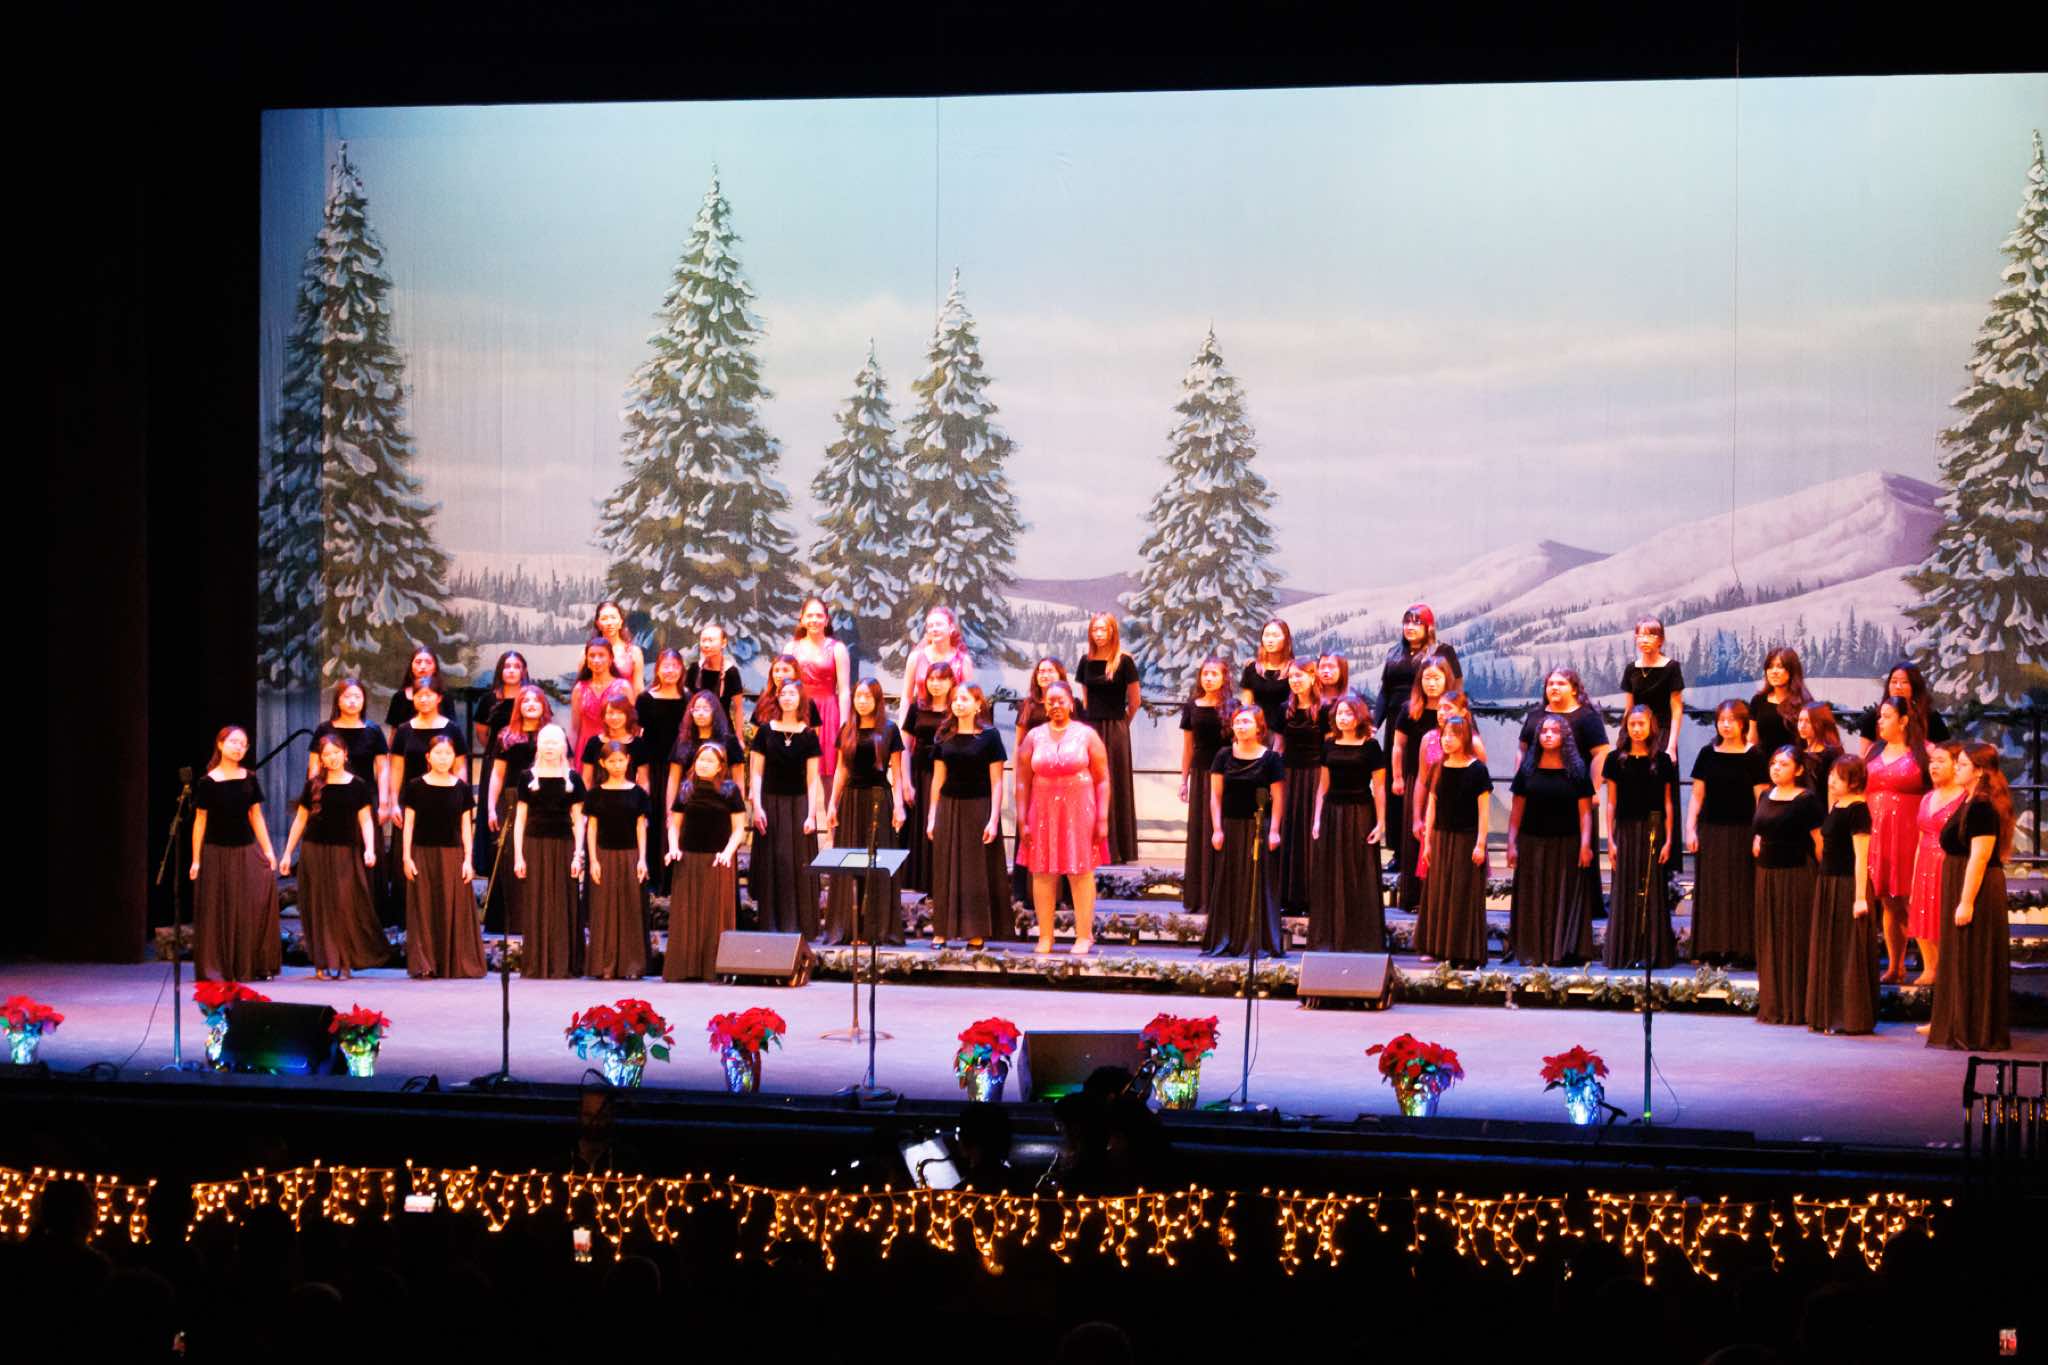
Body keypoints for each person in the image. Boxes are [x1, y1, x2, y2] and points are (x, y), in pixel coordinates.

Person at [1924, 741, 2013, 1051]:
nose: (1956, 769)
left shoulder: (1982, 805)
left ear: (1978, 771)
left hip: (1977, 887)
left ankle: (1974, 1027)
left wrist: (1966, 901)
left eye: (1962, 765)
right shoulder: (1970, 800)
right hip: (1961, 881)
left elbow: (1980, 856)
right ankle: (1959, 1020)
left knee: (1973, 954)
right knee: (1961, 954)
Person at [280, 731, 385, 980]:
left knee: (344, 906)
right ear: (321, 759)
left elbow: (365, 821)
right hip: (315, 852)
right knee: (319, 906)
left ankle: (344, 960)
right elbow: (300, 821)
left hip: (345, 853)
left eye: (336, 752)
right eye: (327, 754)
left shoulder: (357, 785)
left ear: (345, 754)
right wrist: (287, 854)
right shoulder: (314, 786)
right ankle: (322, 963)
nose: (332, 757)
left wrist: (370, 848)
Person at [1017, 680, 1110, 954]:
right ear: (1045, 706)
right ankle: (1046, 936)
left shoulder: (1087, 735)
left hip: (1079, 810)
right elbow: (1022, 781)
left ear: (1071, 703)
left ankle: (1083, 935)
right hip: (1042, 810)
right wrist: (1022, 818)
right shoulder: (1034, 736)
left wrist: (1102, 818)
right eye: (1051, 701)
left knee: (1080, 871)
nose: (1056, 705)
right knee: (1042, 871)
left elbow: (1103, 779)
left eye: (1061, 701)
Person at [188, 725, 280, 981]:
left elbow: (256, 816)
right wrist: (196, 859)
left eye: (243, 744)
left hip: (245, 850)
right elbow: (200, 821)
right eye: (233, 742)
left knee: (249, 905)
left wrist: (268, 851)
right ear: (220, 744)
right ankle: (218, 967)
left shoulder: (249, 778)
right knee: (218, 909)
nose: (238, 747)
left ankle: (251, 964)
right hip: (215, 853)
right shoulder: (207, 782)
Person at [1376, 603, 1460, 876]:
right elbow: (1384, 692)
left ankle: (1434, 849)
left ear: (1429, 626)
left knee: (1432, 784)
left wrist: (1451, 715)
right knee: (1399, 788)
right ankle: (1401, 852)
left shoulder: (1442, 652)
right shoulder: (1394, 653)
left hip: (1433, 720)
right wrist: (1374, 724)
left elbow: (1455, 687)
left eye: (1417, 622)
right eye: (1407, 622)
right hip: (1400, 722)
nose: (1410, 627)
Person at [822, 678, 907, 945]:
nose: (861, 701)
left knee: (876, 864)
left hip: (879, 800)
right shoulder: (847, 729)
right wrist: (832, 803)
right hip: (851, 802)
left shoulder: (890, 729)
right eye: (858, 696)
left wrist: (899, 806)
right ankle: (850, 929)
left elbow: (897, 773)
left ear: (877, 700)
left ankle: (877, 930)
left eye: (867, 696)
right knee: (851, 864)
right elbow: (841, 769)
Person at [1506, 714, 1595, 966]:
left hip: (1566, 844)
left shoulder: (1577, 771)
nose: (1548, 735)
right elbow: (1516, 812)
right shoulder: (1527, 770)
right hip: (1532, 843)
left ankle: (1561, 952)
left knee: (1562, 899)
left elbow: (1585, 813)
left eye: (1554, 731)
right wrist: (1511, 844)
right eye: (1544, 731)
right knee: (1533, 899)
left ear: (1564, 737)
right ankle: (1533, 951)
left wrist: (1586, 845)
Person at [926, 684, 1010, 947]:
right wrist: (932, 816)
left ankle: (975, 932)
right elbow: (938, 780)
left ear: (978, 705)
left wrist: (993, 819)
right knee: (945, 870)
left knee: (976, 872)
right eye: (955, 700)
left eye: (964, 699)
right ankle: (941, 931)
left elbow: (997, 781)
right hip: (949, 807)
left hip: (978, 807)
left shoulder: (990, 736)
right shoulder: (943, 735)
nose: (958, 704)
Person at [1686, 700, 1768, 965]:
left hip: (1744, 831)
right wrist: (1690, 828)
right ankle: (1711, 948)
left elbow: (1762, 799)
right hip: (1711, 831)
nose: (1726, 725)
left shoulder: (1754, 756)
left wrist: (1760, 833)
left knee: (1742, 890)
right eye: (1722, 720)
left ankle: (1742, 950)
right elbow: (1697, 795)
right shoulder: (1707, 753)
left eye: (1731, 720)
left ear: (1742, 724)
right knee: (1713, 889)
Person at [1202, 704, 1285, 958]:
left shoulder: (1271, 759)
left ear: (1259, 727)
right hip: (1230, 826)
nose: (1240, 726)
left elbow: (1278, 798)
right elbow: (1215, 796)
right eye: (1237, 722)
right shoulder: (1223, 755)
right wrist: (1217, 829)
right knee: (1229, 881)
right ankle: (1228, 937)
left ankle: (1257, 940)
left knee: (1258, 883)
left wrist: (1274, 830)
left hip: (1258, 827)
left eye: (1246, 722)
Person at [400, 733, 483, 979]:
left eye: (448, 753)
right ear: (428, 757)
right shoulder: (415, 786)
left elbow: (466, 827)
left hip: (452, 855)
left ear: (454, 757)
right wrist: (406, 857)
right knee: (423, 909)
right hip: (422, 854)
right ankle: (425, 963)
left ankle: (451, 962)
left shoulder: (461, 788)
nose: (443, 758)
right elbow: (408, 824)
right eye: (438, 753)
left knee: (451, 907)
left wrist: (468, 859)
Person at [1860, 696, 1931, 985]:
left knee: (1913, 900)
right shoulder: (1874, 751)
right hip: (1878, 833)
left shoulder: (1924, 752)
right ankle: (1895, 965)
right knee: (1889, 901)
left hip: (1909, 833)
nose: (1880, 721)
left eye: (1887, 716)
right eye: (1880, 716)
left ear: (1903, 721)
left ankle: (1932, 965)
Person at [663, 742, 747, 981]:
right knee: (686, 915)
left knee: (714, 916)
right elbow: (674, 825)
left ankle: (714, 969)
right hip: (688, 859)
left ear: (720, 766)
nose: (703, 764)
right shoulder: (686, 789)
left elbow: (738, 828)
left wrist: (728, 852)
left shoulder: (730, 790)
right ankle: (685, 969)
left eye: (710, 761)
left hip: (717, 860)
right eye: (700, 759)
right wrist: (673, 848)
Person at [747, 678, 825, 937]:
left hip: (799, 805)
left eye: (792, 694)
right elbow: (757, 772)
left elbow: (812, 778)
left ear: (800, 699)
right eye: (783, 694)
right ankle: (771, 924)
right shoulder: (765, 732)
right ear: (777, 699)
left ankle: (800, 926)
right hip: (770, 803)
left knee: (797, 864)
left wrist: (811, 815)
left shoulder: (808, 735)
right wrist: (757, 807)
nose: (787, 698)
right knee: (774, 862)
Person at [1752, 746, 1823, 1025]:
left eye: (1783, 764)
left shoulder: (1806, 800)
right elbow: (1760, 830)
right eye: (1773, 763)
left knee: (1794, 937)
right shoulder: (1765, 795)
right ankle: (1773, 1003)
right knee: (1770, 938)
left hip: (1796, 876)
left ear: (1799, 770)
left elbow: (1819, 842)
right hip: (1767, 876)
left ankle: (1797, 1005)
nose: (1776, 768)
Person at [1310, 692, 1386, 951]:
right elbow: (1323, 786)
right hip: (1332, 813)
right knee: (1331, 873)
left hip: (1360, 813)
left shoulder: (1371, 746)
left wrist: (1381, 823)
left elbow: (1379, 787)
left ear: (1359, 716)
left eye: (1349, 713)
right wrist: (1317, 819)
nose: (1343, 718)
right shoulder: (1328, 745)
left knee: (1359, 872)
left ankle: (1360, 937)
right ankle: (1331, 936)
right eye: (1340, 713)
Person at [1603, 704, 1677, 970]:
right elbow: (1611, 803)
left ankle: (1652, 951)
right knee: (1625, 888)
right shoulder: (1615, 759)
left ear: (1650, 727)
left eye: (1641, 724)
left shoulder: (1662, 760)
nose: (1636, 729)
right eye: (1632, 724)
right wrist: (1610, 840)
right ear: (1626, 727)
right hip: (1625, 830)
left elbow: (1668, 803)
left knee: (1652, 890)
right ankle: (1624, 950)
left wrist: (1669, 840)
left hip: (1653, 829)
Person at [1805, 754, 1875, 1035]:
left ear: (1854, 781)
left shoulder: (1858, 809)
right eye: (1831, 774)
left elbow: (1861, 857)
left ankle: (1848, 1016)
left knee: (1846, 951)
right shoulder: (1837, 805)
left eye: (1839, 776)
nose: (1831, 780)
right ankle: (1827, 1013)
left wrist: (1860, 897)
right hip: (1828, 883)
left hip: (1847, 886)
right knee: (1829, 950)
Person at [1416, 714, 1489, 967]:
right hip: (1441, 837)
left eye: (1453, 735)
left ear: (1465, 738)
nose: (1447, 740)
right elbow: (1432, 806)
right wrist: (1428, 842)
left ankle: (1464, 953)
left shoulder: (1477, 769)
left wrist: (1481, 844)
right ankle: (1436, 948)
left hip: (1466, 839)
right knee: (1438, 893)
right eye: (1445, 735)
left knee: (1462, 894)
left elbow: (1483, 811)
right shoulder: (1438, 767)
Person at [513, 724, 585, 979]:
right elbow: (520, 819)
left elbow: (578, 821)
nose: (550, 747)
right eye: (545, 742)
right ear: (538, 746)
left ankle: (563, 963)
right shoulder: (527, 778)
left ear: (563, 747)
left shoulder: (573, 779)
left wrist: (578, 855)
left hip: (564, 846)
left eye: (554, 742)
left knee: (563, 903)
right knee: (536, 902)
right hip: (535, 846)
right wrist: (518, 856)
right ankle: (537, 963)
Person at [1077, 612, 1142, 865]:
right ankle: (1089, 846)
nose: (1099, 634)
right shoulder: (1085, 661)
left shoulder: (1124, 661)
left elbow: (1135, 701)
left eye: (1103, 629)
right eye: (1095, 630)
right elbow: (1085, 700)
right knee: (1089, 784)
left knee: (1115, 784)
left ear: (1113, 631)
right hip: (1091, 729)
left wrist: (1122, 724)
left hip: (1115, 729)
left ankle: (1117, 849)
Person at [1391, 656, 1455, 911]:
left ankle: (1440, 896)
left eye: (1436, 678)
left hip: (1448, 786)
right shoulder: (1410, 709)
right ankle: (1415, 897)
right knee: (1416, 836)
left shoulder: (1455, 709)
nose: (1431, 683)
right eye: (1427, 678)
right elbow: (1398, 745)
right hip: (1417, 780)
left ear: (1446, 680)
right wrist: (1397, 776)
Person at [584, 740, 650, 979]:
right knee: (604, 911)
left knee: (631, 908)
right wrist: (593, 860)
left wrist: (642, 859)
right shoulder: (595, 794)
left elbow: (641, 827)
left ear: (628, 760)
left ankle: (631, 966)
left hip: (630, 855)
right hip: (604, 855)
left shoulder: (638, 793)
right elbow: (592, 828)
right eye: (612, 761)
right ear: (603, 763)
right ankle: (605, 965)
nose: (617, 765)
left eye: (621, 760)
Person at [1907, 742, 1969, 988]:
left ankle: (1947, 969)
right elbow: (1921, 836)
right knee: (1922, 912)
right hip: (1925, 861)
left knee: (1943, 915)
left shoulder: (1964, 798)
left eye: (1941, 761)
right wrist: (1914, 876)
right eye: (1932, 761)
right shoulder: (1927, 798)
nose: (1934, 766)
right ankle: (1930, 967)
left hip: (1949, 863)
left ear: (1956, 765)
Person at [1013, 657, 1071, 915]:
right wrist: (1018, 778)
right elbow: (1019, 746)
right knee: (1032, 833)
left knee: (1062, 833)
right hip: (1034, 778)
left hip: (1063, 780)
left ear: (1061, 675)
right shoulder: (1028, 705)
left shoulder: (1070, 704)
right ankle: (1026, 894)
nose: (1044, 674)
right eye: (1041, 671)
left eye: (1050, 671)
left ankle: (1064, 894)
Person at [470, 652, 527, 900]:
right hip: (495, 760)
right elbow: (482, 733)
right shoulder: (488, 699)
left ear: (524, 670)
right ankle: (488, 863)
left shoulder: (530, 696)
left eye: (516, 666)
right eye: (507, 666)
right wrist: (499, 750)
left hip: (523, 763)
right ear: (500, 671)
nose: (511, 670)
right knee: (493, 810)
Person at [1178, 658, 1232, 916]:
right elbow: (1188, 747)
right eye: (1205, 674)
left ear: (1224, 678)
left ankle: (1222, 895)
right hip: (1201, 774)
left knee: (1222, 831)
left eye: (1214, 674)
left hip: (1227, 774)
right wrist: (1183, 780)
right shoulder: (1192, 706)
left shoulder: (1232, 706)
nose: (1209, 678)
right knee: (1201, 831)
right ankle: (1200, 896)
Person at [900, 660, 957, 894]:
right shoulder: (917, 708)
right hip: (920, 773)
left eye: (941, 679)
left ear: (951, 682)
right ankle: (919, 884)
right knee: (920, 826)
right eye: (931, 679)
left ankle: (942, 884)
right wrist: (905, 781)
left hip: (949, 776)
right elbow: (904, 746)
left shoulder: (956, 709)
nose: (935, 684)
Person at [635, 649, 689, 895]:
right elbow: (639, 736)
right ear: (657, 669)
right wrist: (642, 773)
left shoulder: (688, 698)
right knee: (656, 819)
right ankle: (655, 879)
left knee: (679, 820)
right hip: (655, 768)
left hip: (682, 768)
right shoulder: (645, 699)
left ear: (681, 669)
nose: (670, 670)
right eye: (665, 666)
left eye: (674, 666)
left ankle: (676, 878)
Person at [1275, 660, 1324, 914]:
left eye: (1300, 676)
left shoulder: (1324, 709)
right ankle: (1288, 898)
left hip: (1315, 775)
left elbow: (1329, 748)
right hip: (1289, 775)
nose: (1295, 680)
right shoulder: (1284, 709)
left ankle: (1310, 899)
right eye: (1292, 676)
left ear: (1313, 678)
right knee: (1290, 832)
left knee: (1310, 836)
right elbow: (1278, 747)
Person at [792, 597, 852, 787]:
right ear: (802, 619)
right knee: (797, 766)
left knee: (829, 769)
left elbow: (844, 690)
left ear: (826, 620)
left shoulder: (837, 649)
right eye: (810, 615)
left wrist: (844, 725)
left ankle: (830, 807)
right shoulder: (791, 648)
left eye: (819, 616)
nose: (814, 620)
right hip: (799, 711)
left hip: (828, 712)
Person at [312, 677, 390, 822]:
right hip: (330, 793)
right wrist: (313, 794)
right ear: (338, 701)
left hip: (365, 795)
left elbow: (382, 768)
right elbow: (314, 766)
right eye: (347, 696)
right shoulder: (324, 729)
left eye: (357, 697)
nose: (352, 701)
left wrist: (384, 802)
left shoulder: (373, 730)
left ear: (364, 700)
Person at [666, 689, 745, 817]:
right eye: (696, 709)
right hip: (688, 804)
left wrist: (738, 811)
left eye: (706, 709)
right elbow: (673, 779)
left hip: (720, 806)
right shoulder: (683, 740)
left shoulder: (729, 741)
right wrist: (670, 812)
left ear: (715, 711)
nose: (700, 713)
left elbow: (739, 780)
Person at [1618, 617, 1685, 760]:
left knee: (1661, 769)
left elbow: (1677, 710)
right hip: (1637, 730)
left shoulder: (1671, 667)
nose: (1644, 640)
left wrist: (1671, 746)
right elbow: (1629, 708)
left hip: (1662, 731)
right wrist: (1622, 738)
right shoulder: (1631, 669)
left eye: (1650, 635)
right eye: (1640, 635)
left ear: (1661, 639)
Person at [1852, 660, 1951, 746]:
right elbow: (1864, 756)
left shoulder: (1930, 717)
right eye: (1894, 682)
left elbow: (1943, 752)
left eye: (1905, 682)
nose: (1898, 687)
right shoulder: (1873, 718)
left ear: (1915, 686)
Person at [684, 623, 747, 741]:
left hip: (723, 732)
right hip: (697, 731)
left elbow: (738, 707)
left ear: (723, 643)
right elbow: (687, 703)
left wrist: (739, 737)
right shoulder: (694, 669)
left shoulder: (730, 672)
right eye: (703, 640)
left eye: (711, 640)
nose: (706, 645)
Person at [578, 684, 644, 790]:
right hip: (599, 797)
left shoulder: (638, 744)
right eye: (610, 713)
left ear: (628, 715)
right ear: (603, 716)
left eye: (620, 713)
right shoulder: (593, 743)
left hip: (629, 796)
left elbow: (644, 780)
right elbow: (587, 779)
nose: (614, 717)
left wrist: (641, 799)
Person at [1747, 647, 1811, 757]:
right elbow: (1752, 739)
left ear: (1792, 670)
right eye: (1770, 667)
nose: (1774, 671)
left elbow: (1810, 742)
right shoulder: (1758, 700)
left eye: (1780, 666)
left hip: (1793, 763)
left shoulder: (1804, 702)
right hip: (1763, 763)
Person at [1239, 619, 1294, 739]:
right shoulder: (1252, 668)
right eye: (1267, 635)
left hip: (1287, 730)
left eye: (1275, 635)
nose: (1270, 640)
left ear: (1286, 639)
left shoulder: (1294, 669)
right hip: (1258, 731)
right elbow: (1246, 705)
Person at [567, 637, 622, 756]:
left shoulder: (623, 687)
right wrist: (569, 758)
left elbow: (630, 726)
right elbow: (574, 729)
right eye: (592, 656)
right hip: (585, 749)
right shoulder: (579, 689)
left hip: (614, 750)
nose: (596, 660)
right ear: (587, 660)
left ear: (611, 658)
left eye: (601, 655)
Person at [592, 600, 645, 697]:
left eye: (613, 617)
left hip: (626, 705)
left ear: (621, 621)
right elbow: (582, 689)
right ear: (598, 624)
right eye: (604, 618)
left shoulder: (634, 652)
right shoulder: (588, 654)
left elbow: (638, 689)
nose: (609, 622)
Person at [1795, 701, 1844, 797]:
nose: (1802, 726)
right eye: (1800, 720)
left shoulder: (1830, 755)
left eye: (1808, 721)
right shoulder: (1799, 751)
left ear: (1820, 723)